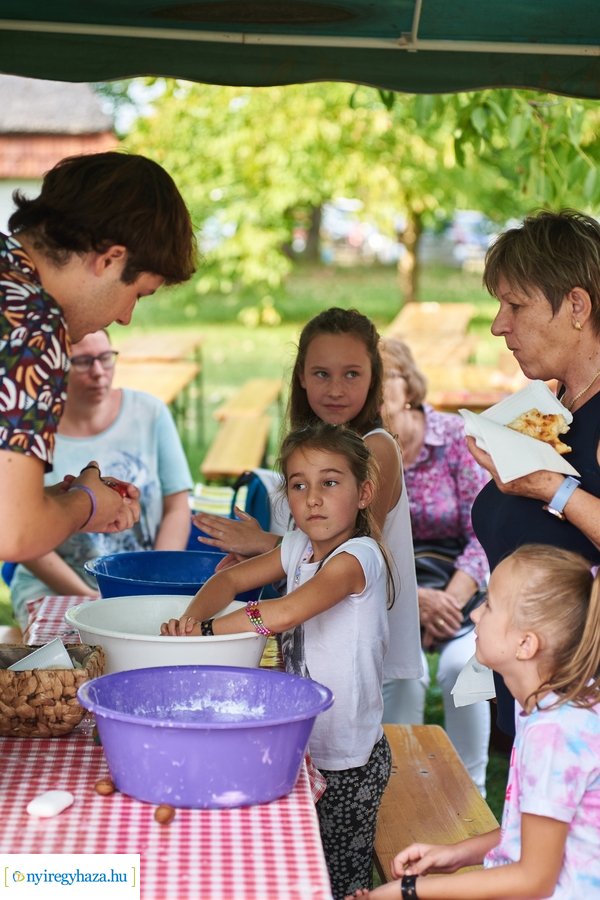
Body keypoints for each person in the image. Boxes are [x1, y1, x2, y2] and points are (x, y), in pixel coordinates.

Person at [162, 423, 393, 899]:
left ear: (364, 493)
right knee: (291, 868)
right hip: (300, 744)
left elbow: (285, 612)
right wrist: (190, 624)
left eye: (330, 482)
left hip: (346, 758)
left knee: (339, 884)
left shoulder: (358, 557)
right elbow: (227, 582)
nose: (313, 498)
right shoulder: (297, 546)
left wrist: (207, 632)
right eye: (299, 485)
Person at [193, 307, 423, 701]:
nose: (335, 389)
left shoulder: (376, 448)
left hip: (372, 665)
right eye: (321, 374)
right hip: (319, 655)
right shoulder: (312, 447)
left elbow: (345, 548)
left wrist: (264, 545)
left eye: (351, 374)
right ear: (301, 376)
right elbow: (300, 554)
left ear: (374, 377)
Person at [346, 544, 600, 900]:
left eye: (489, 605)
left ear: (526, 644)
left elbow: (534, 879)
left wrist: (410, 890)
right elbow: (530, 832)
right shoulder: (553, 709)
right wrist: (456, 854)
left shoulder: (554, 734)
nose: (476, 614)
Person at [0, 150, 196, 561]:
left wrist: (53, 501)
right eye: (137, 294)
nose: (125, 317)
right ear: (110, 259)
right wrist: (87, 504)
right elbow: (14, 532)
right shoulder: (33, 324)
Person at [469, 209, 600, 737]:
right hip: (540, 703)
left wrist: (548, 486)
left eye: (516, 305)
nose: (499, 324)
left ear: (577, 306)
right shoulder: (556, 405)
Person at [8, 329, 193, 628]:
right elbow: (17, 526)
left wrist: (157, 577)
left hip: (141, 583)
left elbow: (178, 505)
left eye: (106, 358)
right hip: (58, 587)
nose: (98, 371)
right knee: (71, 653)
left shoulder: (150, 412)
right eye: (82, 361)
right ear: (55, 366)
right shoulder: (29, 427)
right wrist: (92, 598)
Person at [379, 337, 490, 794]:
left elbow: (484, 532)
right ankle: (398, 790)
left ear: (407, 386)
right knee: (406, 676)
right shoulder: (361, 451)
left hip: (463, 587)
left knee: (464, 668)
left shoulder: (456, 438)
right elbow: (360, 543)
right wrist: (413, 602)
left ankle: (471, 794)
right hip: (394, 591)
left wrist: (449, 601)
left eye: (381, 377)